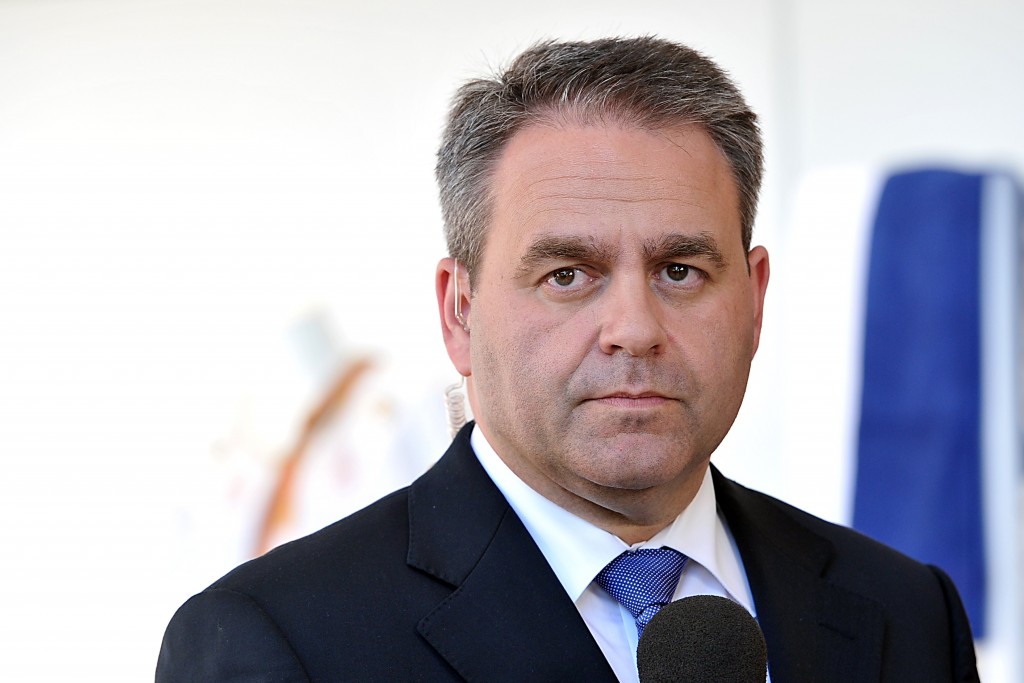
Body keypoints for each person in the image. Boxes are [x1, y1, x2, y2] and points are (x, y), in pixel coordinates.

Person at [156, 36, 980, 682]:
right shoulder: (279, 641)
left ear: (755, 298)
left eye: (680, 270)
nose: (634, 328)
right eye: (568, 274)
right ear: (459, 311)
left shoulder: (908, 615)